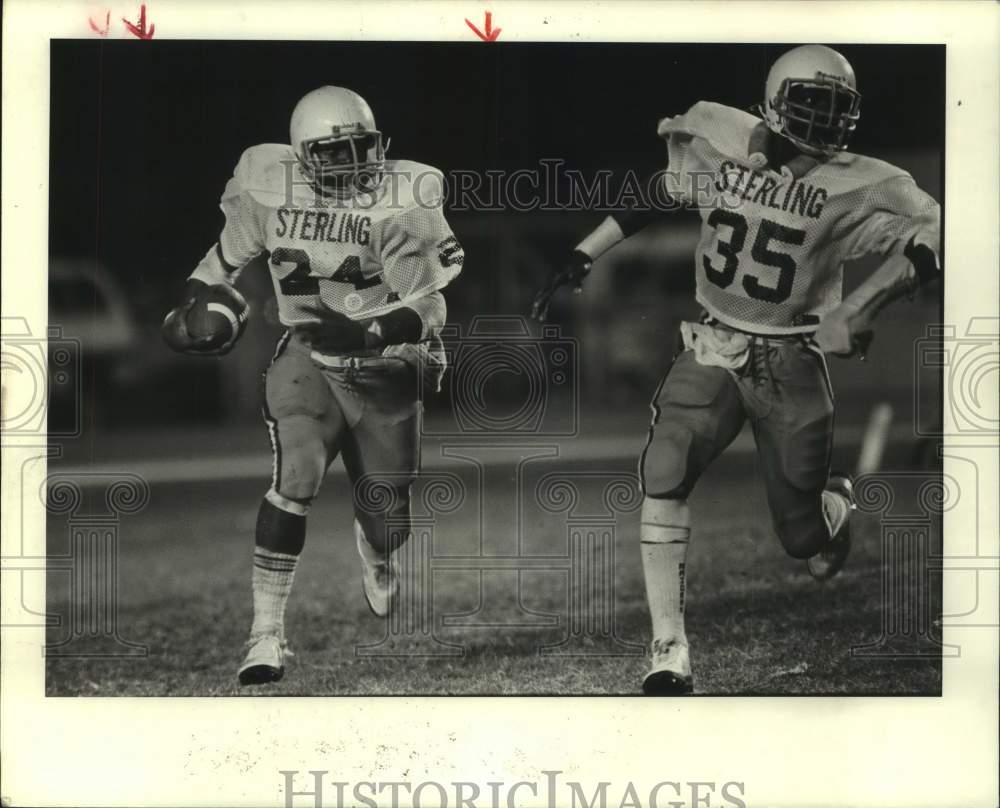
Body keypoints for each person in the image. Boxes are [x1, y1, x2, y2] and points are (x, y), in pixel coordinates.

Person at [532, 45, 941, 695]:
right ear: (776, 101)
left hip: (792, 360)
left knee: (801, 538)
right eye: (812, 103)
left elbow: (933, 232)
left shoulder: (866, 179)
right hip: (715, 343)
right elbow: (661, 192)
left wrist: (863, 305)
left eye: (837, 108)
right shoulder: (721, 134)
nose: (824, 121)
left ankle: (833, 509)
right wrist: (588, 249)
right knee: (664, 469)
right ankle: (670, 647)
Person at [162, 86, 464, 685]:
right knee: (295, 477)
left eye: (363, 148)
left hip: (387, 367)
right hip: (308, 355)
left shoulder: (401, 201)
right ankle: (265, 636)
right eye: (336, 152)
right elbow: (216, 267)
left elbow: (432, 307)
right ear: (302, 157)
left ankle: (375, 547)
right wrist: (185, 318)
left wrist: (370, 331)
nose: (355, 164)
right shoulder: (268, 191)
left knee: (388, 521)